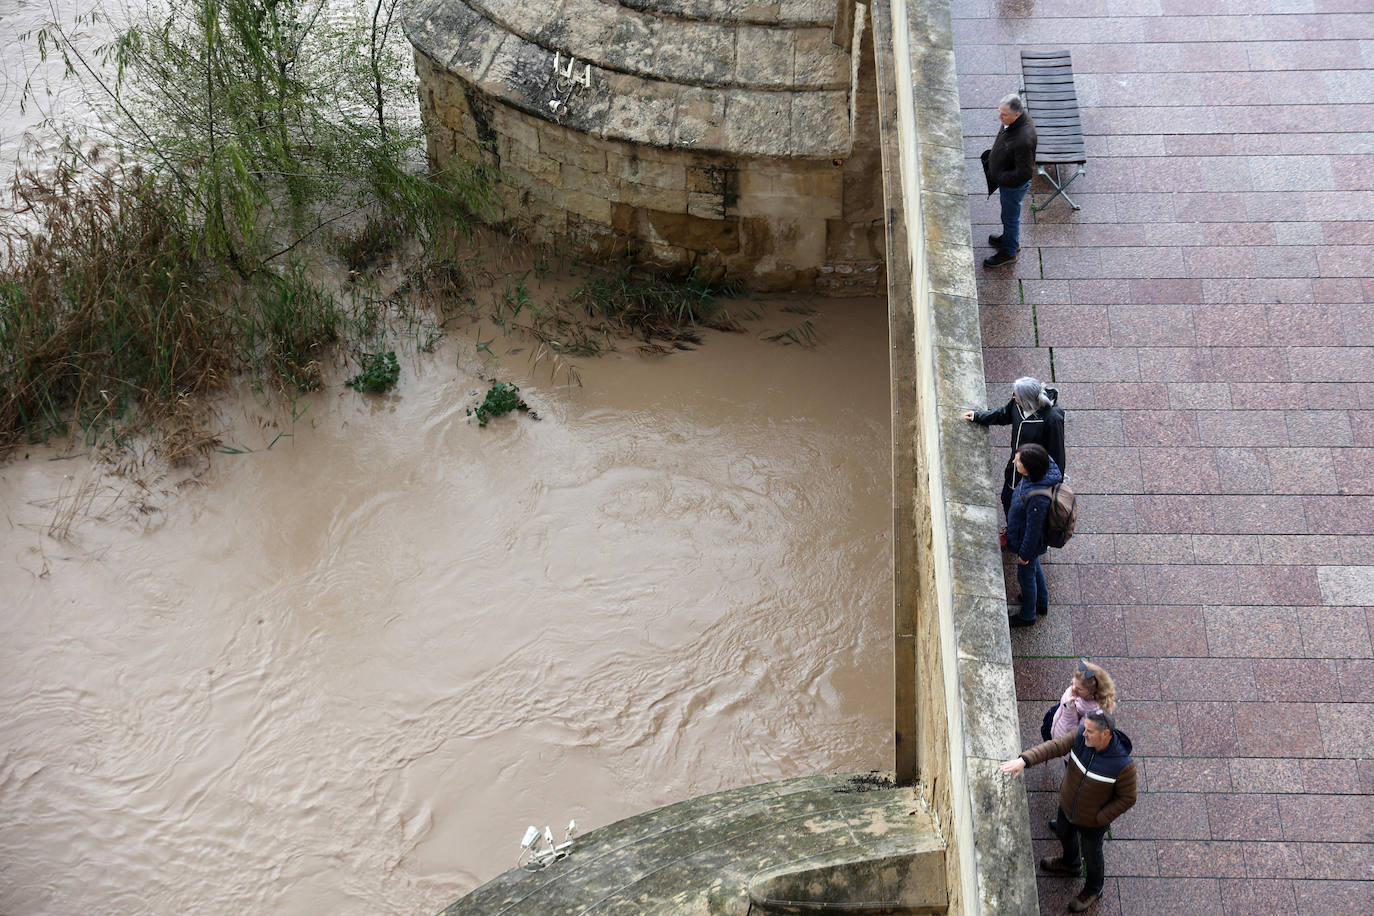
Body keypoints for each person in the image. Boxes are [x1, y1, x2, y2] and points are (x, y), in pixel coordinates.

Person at [1000, 710, 1137, 913]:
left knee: (1093, 855)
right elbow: (1054, 747)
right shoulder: (1080, 737)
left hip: (1093, 822)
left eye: (1090, 731)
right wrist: (1024, 760)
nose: (1083, 734)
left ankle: (1093, 888)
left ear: (1105, 734)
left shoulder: (1123, 766)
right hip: (1067, 806)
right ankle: (1071, 864)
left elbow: (1128, 798)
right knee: (1063, 832)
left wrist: (1100, 817)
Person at [963, 377, 1065, 515]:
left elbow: (1057, 452)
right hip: (1015, 466)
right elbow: (1002, 414)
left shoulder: (1052, 419)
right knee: (1007, 499)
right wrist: (978, 416)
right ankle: (1011, 527)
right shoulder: (1017, 404)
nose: (1013, 396)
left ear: (1026, 400)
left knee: (1024, 508)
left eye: (1016, 394)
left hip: (1034, 472)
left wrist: (1054, 484)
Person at [980, 92, 1037, 268]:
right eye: (999, 112)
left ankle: (1010, 251)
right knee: (1008, 216)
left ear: (1017, 115)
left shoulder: (1023, 139)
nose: (1000, 117)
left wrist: (1001, 178)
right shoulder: (1011, 122)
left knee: (1010, 218)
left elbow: (1024, 173)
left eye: (1004, 114)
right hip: (1007, 181)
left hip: (1012, 187)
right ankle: (1009, 240)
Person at [1004, 443, 1059, 628]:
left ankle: (1028, 615)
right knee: (1034, 568)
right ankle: (1041, 602)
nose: (1014, 461)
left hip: (1026, 544)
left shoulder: (1038, 499)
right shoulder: (1040, 470)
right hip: (1028, 542)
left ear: (1029, 468)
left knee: (1026, 577)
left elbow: (1033, 530)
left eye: (1018, 460)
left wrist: (1024, 554)